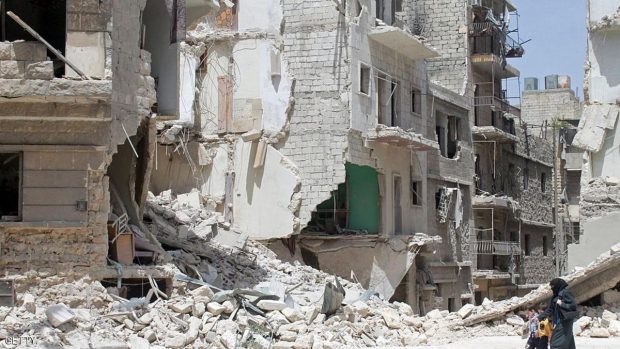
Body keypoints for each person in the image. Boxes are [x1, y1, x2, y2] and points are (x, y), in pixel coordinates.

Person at [538, 278, 577, 349]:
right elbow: (550, 309)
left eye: (553, 286)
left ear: (558, 285)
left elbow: (573, 306)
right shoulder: (555, 296)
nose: (552, 288)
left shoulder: (565, 293)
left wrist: (562, 304)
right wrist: (540, 317)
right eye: (551, 287)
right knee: (567, 342)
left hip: (565, 322)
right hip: (558, 322)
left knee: (556, 343)